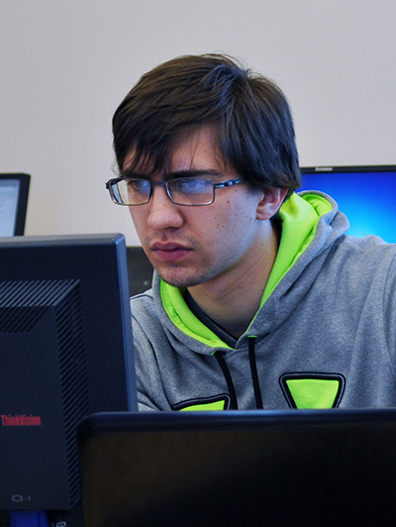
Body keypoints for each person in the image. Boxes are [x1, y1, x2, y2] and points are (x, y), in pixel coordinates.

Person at [107, 53, 396, 411]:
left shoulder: (384, 295)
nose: (158, 218)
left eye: (192, 184)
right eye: (138, 184)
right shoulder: (130, 343)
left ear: (269, 194)